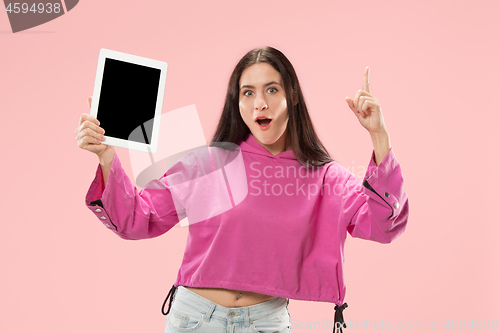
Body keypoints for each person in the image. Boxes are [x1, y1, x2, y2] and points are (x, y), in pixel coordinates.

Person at [76, 46, 409, 333]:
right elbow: (138, 219)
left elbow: (383, 226)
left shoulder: (325, 177)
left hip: (266, 322)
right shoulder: (210, 163)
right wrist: (107, 158)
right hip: (194, 319)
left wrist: (379, 136)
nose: (259, 104)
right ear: (237, 101)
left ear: (291, 95)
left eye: (271, 90)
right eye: (248, 92)